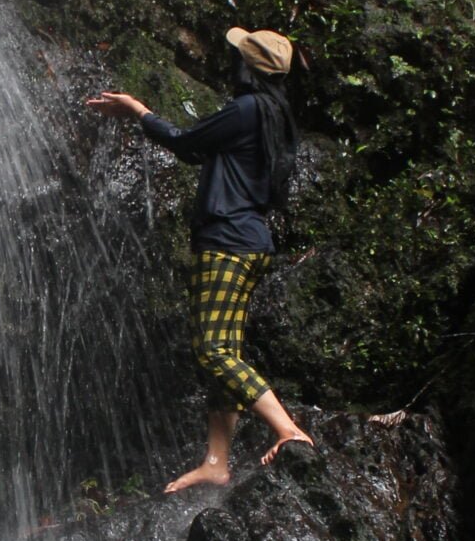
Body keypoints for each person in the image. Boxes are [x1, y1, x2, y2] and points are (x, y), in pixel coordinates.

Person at [87, 24, 314, 493]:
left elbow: (186, 144)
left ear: (248, 67)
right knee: (223, 353)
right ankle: (216, 461)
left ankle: (286, 428)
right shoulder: (276, 114)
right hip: (249, 241)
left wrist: (138, 111)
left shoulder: (248, 109)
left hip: (228, 242)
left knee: (212, 352)